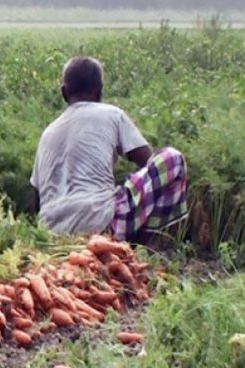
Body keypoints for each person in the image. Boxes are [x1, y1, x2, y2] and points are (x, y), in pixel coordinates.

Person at [30, 56, 188, 244]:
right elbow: (148, 160)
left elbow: (36, 196)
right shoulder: (112, 114)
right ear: (99, 93)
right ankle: (140, 247)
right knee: (172, 159)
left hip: (51, 232)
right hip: (101, 222)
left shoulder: (48, 132)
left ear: (64, 93)